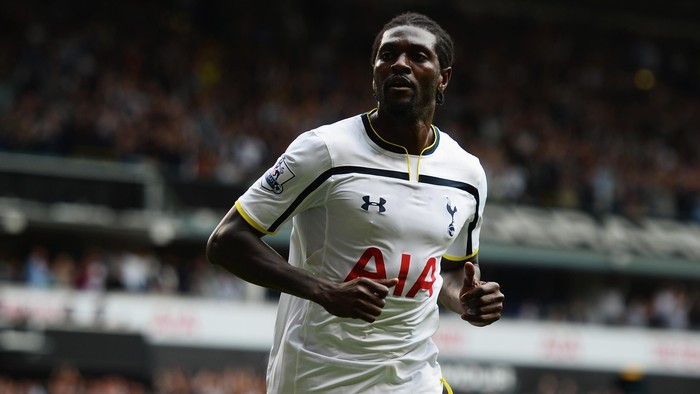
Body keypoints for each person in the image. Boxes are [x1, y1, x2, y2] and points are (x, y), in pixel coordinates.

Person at [207, 11, 504, 394]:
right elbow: (226, 240)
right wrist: (324, 290)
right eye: (387, 55)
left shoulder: (468, 173)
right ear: (375, 73)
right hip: (320, 377)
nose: (400, 64)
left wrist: (466, 300)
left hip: (414, 376)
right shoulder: (325, 150)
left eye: (417, 56)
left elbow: (452, 271)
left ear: (443, 77)